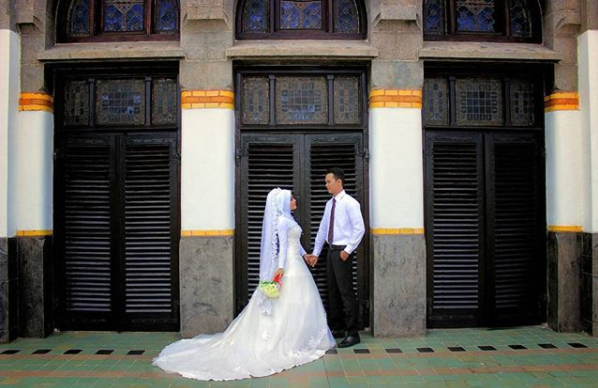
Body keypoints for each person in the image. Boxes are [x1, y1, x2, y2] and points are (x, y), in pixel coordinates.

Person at [153, 188, 335, 381]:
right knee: (288, 304)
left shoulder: (289, 219)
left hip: (297, 264)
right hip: (289, 267)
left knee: (299, 303)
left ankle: (300, 338)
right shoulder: (282, 222)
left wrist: (305, 254)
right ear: (282, 202)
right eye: (291, 198)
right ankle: (286, 341)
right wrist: (280, 268)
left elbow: (294, 243)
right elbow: (282, 247)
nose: (294, 200)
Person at [308, 167, 365, 348]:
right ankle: (338, 327)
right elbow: (323, 230)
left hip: (342, 253)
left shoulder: (350, 203)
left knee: (346, 292)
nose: (326, 185)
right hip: (331, 252)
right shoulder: (329, 204)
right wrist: (316, 253)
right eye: (326, 182)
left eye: (328, 182)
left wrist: (347, 250)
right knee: (332, 291)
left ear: (338, 182)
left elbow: (359, 228)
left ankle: (353, 332)